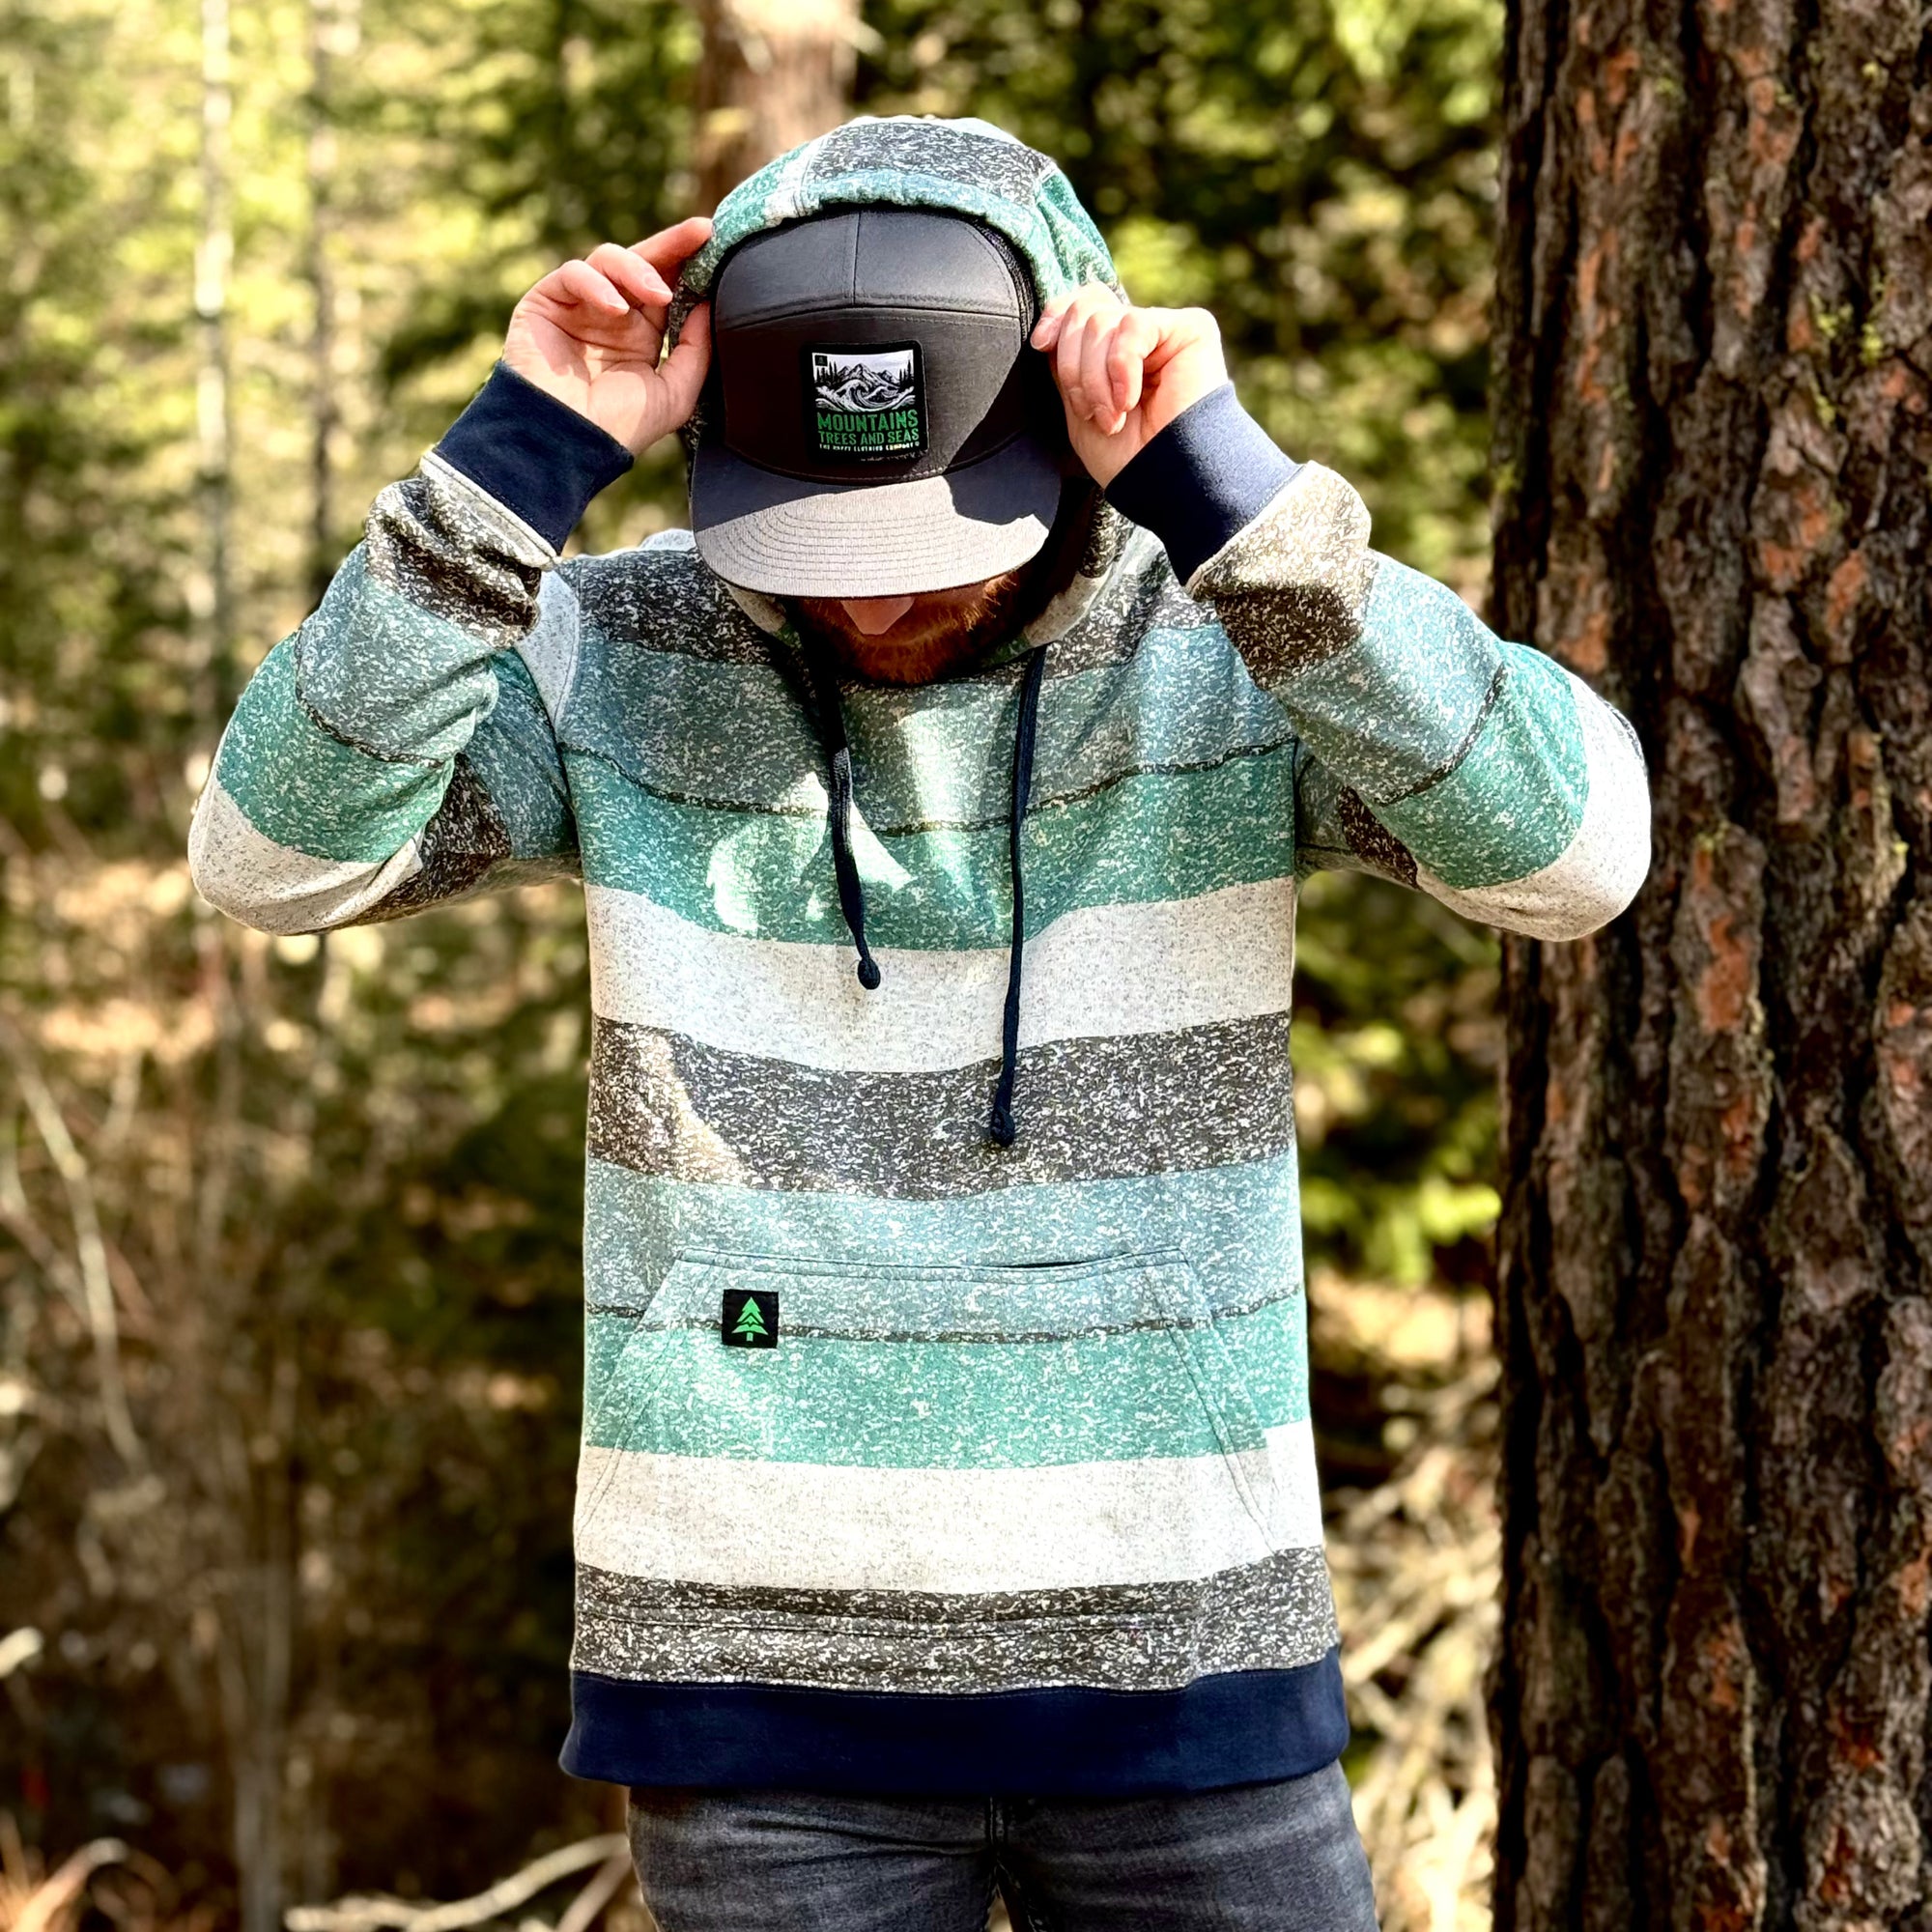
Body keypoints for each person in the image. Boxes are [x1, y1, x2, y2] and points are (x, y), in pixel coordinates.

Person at [189, 116, 1649, 1931]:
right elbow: (270, 860)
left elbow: (1576, 856)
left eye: (941, 529)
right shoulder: (610, 656)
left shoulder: (1237, 639)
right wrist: (519, 455)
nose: (875, 594)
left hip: (1184, 1656)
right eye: (814, 536)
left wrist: (1235, 499)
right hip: (756, 1702)